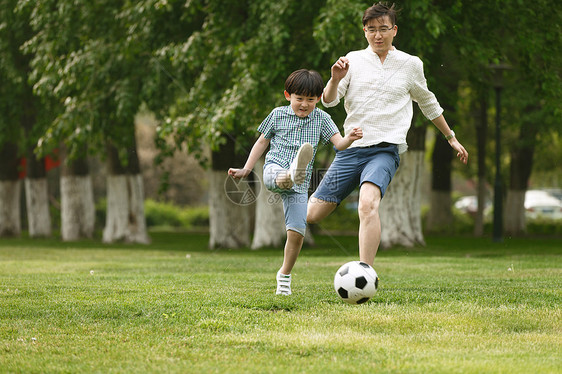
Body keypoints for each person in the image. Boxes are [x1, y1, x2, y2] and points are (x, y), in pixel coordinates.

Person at [307, 2, 469, 266]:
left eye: (383, 29)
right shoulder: (353, 60)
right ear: (365, 32)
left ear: (394, 30)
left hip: (384, 151)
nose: (377, 35)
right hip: (350, 150)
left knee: (367, 204)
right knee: (312, 214)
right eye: (371, 30)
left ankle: (365, 272)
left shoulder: (410, 64)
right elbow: (328, 101)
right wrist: (335, 78)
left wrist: (451, 137)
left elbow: (428, 103)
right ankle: (289, 187)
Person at [228, 69, 363, 295]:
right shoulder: (277, 114)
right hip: (275, 168)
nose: (304, 104)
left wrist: (349, 138)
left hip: (299, 185)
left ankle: (284, 275)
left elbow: (338, 144)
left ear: (318, 98)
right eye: (299, 98)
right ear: (287, 95)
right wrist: (247, 169)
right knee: (278, 178)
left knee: (297, 233)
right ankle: (288, 175)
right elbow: (262, 143)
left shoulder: (322, 118)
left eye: (310, 100)